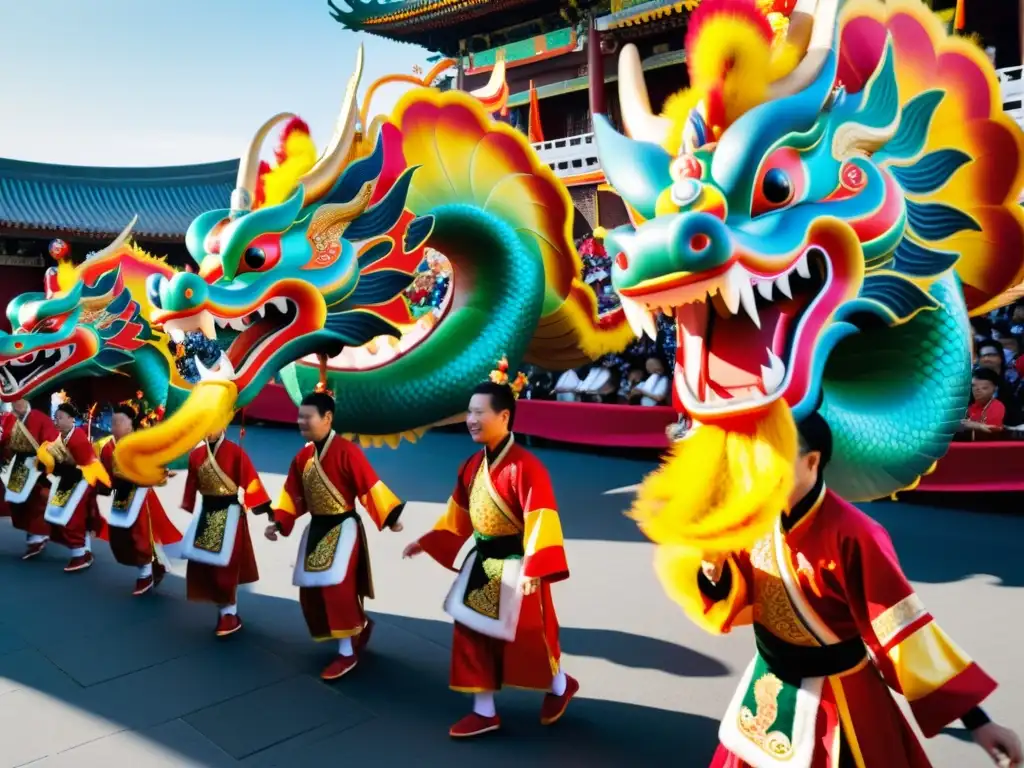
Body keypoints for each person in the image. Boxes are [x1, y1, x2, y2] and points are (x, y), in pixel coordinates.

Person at [682, 413, 1021, 767]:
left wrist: (978, 721)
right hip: (768, 684)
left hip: (840, 697)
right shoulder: (752, 516)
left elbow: (904, 633)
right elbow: (735, 591)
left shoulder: (856, 535)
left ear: (811, 461)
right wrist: (712, 569)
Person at [403, 364, 577, 739]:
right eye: (469, 412)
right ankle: (484, 711)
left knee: (531, 638)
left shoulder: (527, 468)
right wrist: (430, 540)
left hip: (519, 565)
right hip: (481, 564)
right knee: (470, 632)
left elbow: (542, 520)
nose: (471, 420)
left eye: (479, 412)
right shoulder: (470, 467)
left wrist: (535, 568)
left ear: (504, 416)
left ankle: (560, 686)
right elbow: (459, 516)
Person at [264, 391, 406, 680]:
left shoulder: (346, 451)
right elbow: (292, 495)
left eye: (307, 416)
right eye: (299, 416)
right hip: (316, 528)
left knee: (337, 588)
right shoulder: (302, 458)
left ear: (327, 418)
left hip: (344, 528)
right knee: (311, 592)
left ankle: (346, 652)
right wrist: (279, 522)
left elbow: (369, 484)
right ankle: (360, 628)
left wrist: (390, 516)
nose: (300, 421)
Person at [180, 428, 272, 637]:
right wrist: (188, 501)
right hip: (207, 513)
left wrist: (264, 508)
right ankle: (224, 610)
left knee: (226, 568)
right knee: (208, 566)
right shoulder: (195, 455)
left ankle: (229, 612)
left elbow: (251, 481)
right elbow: (191, 484)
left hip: (230, 514)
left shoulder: (235, 452)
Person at [97, 404, 183, 595]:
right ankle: (156, 566)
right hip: (120, 495)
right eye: (113, 422)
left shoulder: (140, 445)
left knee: (140, 534)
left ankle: (146, 574)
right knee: (120, 536)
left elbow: (153, 465)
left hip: (140, 494)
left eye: (120, 422)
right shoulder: (105, 446)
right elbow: (103, 474)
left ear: (130, 425)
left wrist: (163, 473)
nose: (115, 426)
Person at [37, 402, 110, 572]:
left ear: (71, 419)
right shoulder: (61, 437)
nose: (57, 421)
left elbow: (87, 464)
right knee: (66, 516)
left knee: (71, 517)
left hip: (81, 481)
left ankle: (80, 555)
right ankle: (85, 551)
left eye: (60, 418)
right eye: (55, 418)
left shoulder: (77, 437)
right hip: (69, 480)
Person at [2, 398, 59, 559]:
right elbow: (6, 439)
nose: (15, 407)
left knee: (35, 501)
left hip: (37, 466)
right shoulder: (11, 419)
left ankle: (37, 536)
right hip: (19, 464)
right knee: (17, 501)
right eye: (13, 404)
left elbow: (51, 441)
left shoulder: (38, 417)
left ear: (26, 403)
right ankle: (34, 535)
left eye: (18, 403)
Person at [961, 368, 1006, 441]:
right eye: (974, 386)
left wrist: (970, 425)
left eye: (984, 388)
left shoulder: (997, 407)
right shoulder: (969, 405)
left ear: (995, 389)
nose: (977, 390)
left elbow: (991, 429)